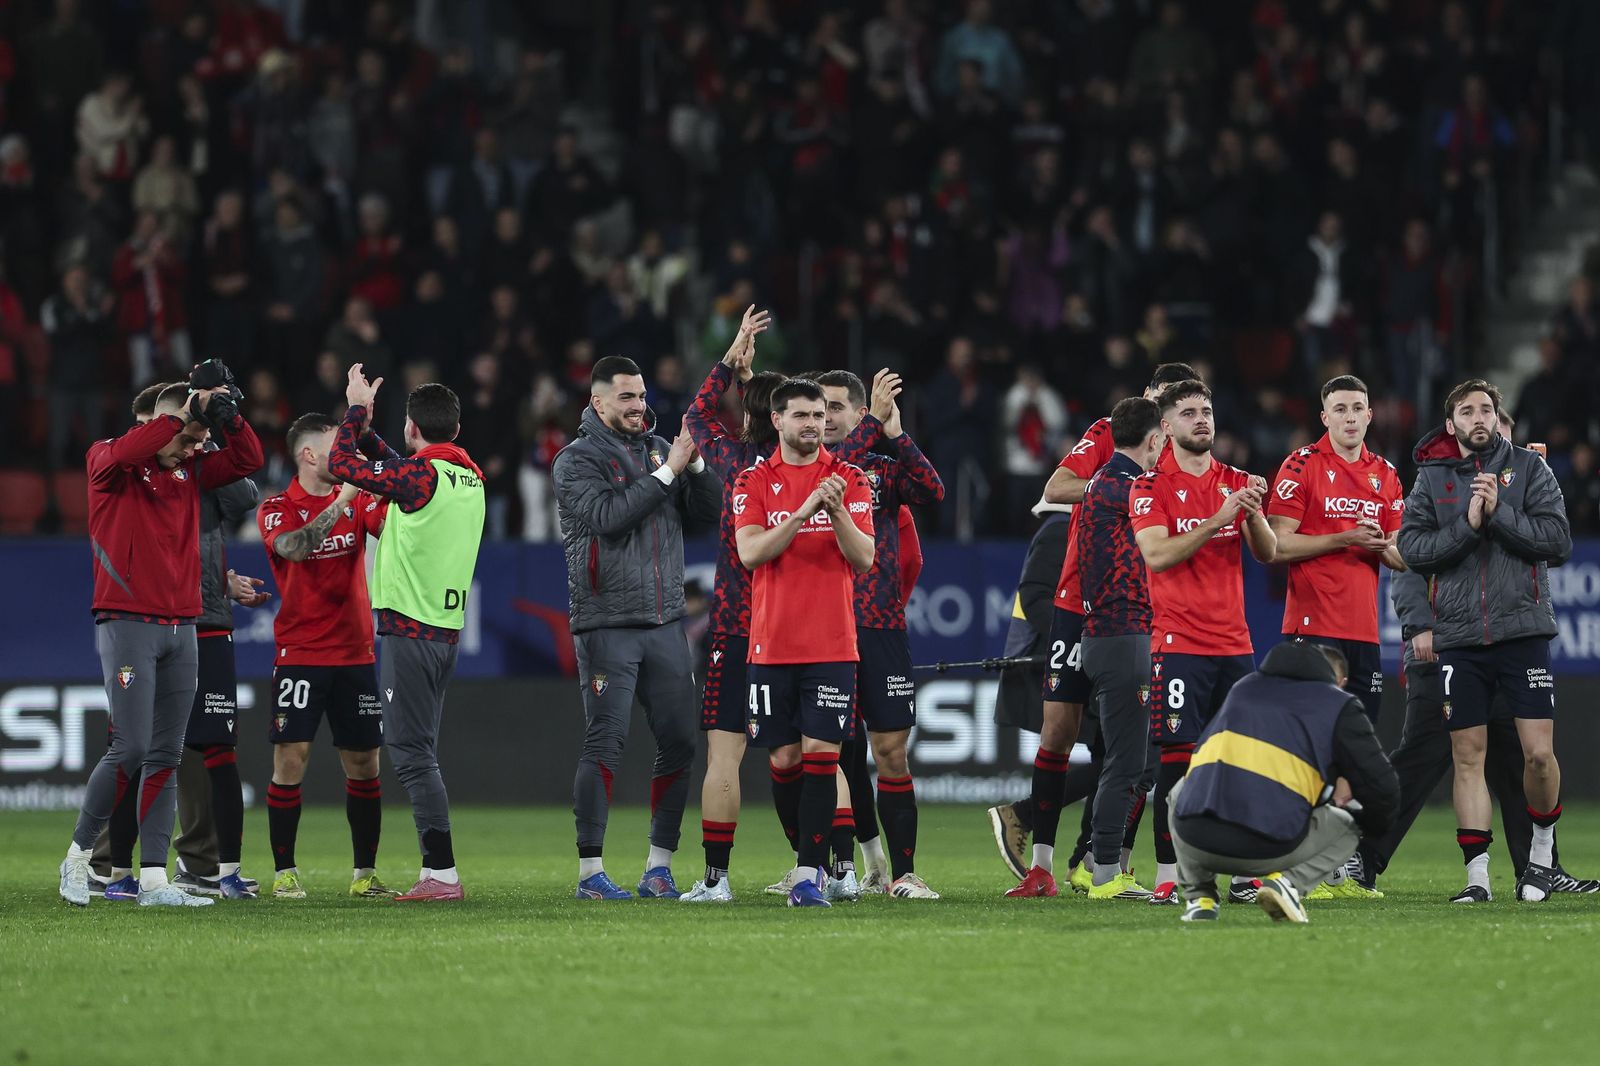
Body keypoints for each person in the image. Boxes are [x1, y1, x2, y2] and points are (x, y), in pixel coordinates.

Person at [1350, 412, 1596, 896]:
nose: (1492, 444)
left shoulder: (1520, 478)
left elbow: (1548, 545)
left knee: (1518, 759)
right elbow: (1407, 560)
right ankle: (1364, 855)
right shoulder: (1438, 483)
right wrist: (1419, 623)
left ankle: (1539, 869)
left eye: (1501, 434)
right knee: (1424, 755)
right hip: (1445, 642)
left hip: (1506, 642)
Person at [992, 362, 1198, 895]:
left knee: (1128, 746)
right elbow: (1057, 486)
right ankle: (1041, 865)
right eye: (1164, 399)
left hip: (1141, 607)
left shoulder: (1182, 456)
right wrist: (1118, 493)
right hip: (1076, 599)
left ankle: (1100, 861)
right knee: (1060, 730)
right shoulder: (1114, 437)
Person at [59, 374, 263, 908]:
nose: (196, 449)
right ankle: (78, 860)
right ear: (160, 424)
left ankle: (153, 882)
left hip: (183, 625)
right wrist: (186, 413)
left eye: (199, 442)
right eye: (189, 438)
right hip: (128, 623)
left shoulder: (190, 470)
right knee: (130, 746)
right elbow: (133, 449)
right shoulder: (108, 459)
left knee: (167, 754)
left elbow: (248, 463)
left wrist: (225, 418)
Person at [552, 355, 721, 900]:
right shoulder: (574, 461)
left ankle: (658, 867)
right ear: (598, 402)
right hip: (608, 624)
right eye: (626, 397)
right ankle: (591, 873)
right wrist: (669, 470)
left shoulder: (656, 450)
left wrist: (692, 468)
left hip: (665, 622)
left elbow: (711, 514)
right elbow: (608, 517)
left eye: (642, 395)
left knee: (678, 741)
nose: (639, 405)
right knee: (607, 741)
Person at [1397, 379, 1572, 903]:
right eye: (1466, 411)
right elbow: (1412, 548)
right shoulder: (1432, 480)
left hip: (1523, 631)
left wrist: (1500, 514)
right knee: (1467, 756)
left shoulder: (1531, 469)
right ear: (1451, 425)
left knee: (1538, 755)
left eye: (1486, 409)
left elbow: (1557, 540)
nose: (1478, 418)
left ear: (1497, 418)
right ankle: (1478, 880)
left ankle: (1541, 854)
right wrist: (1469, 526)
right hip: (1460, 639)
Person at [328, 366, 486, 902]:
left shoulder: (420, 478)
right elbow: (400, 468)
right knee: (421, 751)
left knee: (411, 753)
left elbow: (341, 463)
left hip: (409, 630)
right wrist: (372, 426)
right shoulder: (466, 475)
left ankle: (440, 874)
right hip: (442, 634)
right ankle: (438, 871)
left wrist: (353, 411)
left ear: (412, 429)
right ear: (456, 431)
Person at [1130, 379, 1277, 904]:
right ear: (1165, 426)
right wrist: (1220, 517)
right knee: (1177, 762)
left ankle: (1240, 873)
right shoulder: (1149, 487)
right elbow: (1158, 556)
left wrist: (1254, 514)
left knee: (1239, 761)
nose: (1202, 420)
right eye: (1189, 412)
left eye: (1207, 411)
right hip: (1178, 644)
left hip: (1235, 644)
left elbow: (1268, 552)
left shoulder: (1236, 480)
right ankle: (1170, 876)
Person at [733, 379, 875, 907]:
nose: (814, 424)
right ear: (778, 421)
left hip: (833, 646)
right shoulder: (752, 480)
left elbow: (863, 558)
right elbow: (751, 553)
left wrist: (834, 508)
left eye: (820, 414)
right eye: (802, 416)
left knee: (821, 757)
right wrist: (802, 512)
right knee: (785, 762)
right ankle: (806, 857)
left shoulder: (850, 479)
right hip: (772, 646)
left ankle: (810, 873)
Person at [814, 368, 945, 898]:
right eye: (818, 409)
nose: (825, 419)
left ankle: (905, 873)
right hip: (824, 626)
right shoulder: (811, 472)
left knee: (890, 752)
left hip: (880, 626)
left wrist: (893, 430)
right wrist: (874, 420)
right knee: (832, 754)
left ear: (857, 412)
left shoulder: (883, 473)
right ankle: (849, 869)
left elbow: (934, 491)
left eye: (836, 408)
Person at [258, 413, 395, 900]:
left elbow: (397, 520)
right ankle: (284, 872)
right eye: (339, 449)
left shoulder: (358, 500)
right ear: (309, 455)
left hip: (356, 653)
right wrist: (342, 503)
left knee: (364, 764)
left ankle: (365, 875)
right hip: (301, 654)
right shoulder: (278, 508)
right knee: (290, 760)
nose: (347, 458)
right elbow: (294, 550)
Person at [1168, 642, 1399, 923]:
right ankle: (1288, 885)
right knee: (1350, 823)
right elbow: (1383, 789)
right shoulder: (1338, 704)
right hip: (1266, 851)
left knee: (1180, 791)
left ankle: (1199, 898)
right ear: (1339, 681)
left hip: (1196, 842)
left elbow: (1200, 763)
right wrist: (1373, 830)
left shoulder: (1243, 688)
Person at [679, 306, 782, 902]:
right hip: (798, 631)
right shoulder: (815, 469)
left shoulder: (739, 465)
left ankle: (716, 879)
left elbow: (696, 415)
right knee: (814, 756)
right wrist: (750, 375)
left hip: (740, 631)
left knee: (725, 756)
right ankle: (833, 871)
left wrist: (728, 361)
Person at [1267, 376, 1406, 722]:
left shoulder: (1386, 474)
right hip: (1312, 628)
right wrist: (1345, 538)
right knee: (1310, 739)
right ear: (1325, 417)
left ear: (1370, 415)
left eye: (1358, 409)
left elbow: (1401, 558)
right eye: (1340, 409)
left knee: (1360, 743)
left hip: (1365, 634)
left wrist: (1378, 545)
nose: (1350, 418)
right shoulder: (1300, 465)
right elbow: (1276, 544)